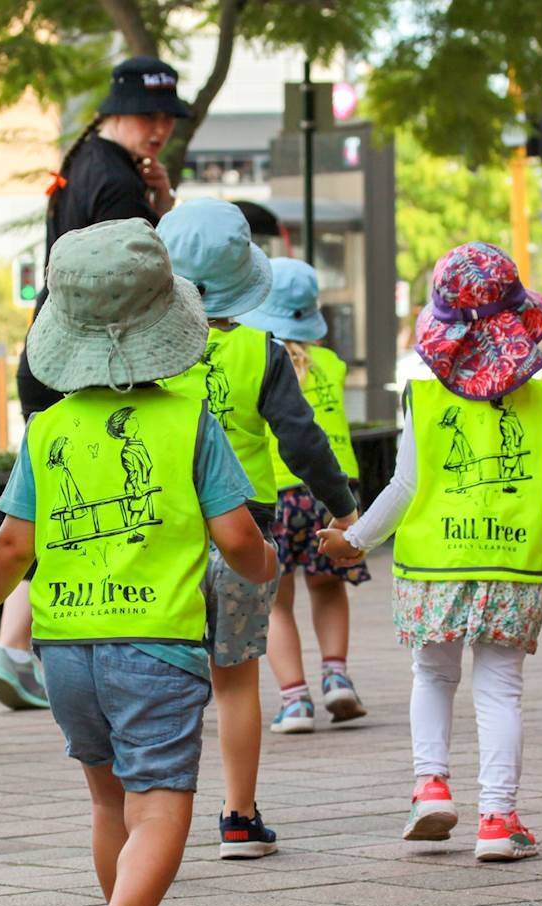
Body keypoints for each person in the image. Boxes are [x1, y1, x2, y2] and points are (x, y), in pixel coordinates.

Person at [0, 218, 277, 906]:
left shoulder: (48, 429)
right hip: (157, 644)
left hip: (66, 648)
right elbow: (236, 533)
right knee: (162, 808)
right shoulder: (188, 420)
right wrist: (264, 566)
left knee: (109, 803)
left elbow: (11, 549)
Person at [319, 242, 542, 863]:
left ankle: (430, 787)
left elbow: (404, 487)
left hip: (432, 565)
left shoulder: (422, 398)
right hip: (511, 564)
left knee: (433, 674)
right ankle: (498, 818)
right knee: (500, 689)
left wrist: (355, 542)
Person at [0, 55, 193, 713]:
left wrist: (158, 198)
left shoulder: (88, 160)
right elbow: (133, 278)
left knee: (50, 502)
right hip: (96, 353)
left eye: (166, 117)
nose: (158, 128)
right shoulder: (117, 182)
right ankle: (37, 644)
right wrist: (159, 210)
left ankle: (13, 649)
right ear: (116, 109)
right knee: (90, 503)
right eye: (147, 114)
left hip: (55, 344)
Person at [156, 199, 358, 859]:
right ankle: (239, 819)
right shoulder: (259, 350)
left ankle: (150, 827)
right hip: (247, 531)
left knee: (163, 678)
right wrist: (341, 504)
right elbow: (301, 439)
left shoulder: (145, 350)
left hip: (162, 532)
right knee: (235, 674)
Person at [238, 258, 369, 734]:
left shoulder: (258, 362)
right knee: (329, 586)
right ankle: (337, 676)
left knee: (276, 601)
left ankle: (295, 701)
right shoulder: (331, 363)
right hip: (334, 494)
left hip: (278, 494)